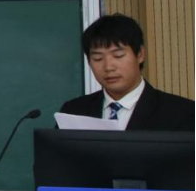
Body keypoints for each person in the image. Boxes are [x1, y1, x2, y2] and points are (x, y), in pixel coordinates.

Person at [60, 14, 194, 131]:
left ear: (140, 54)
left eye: (118, 55)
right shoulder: (73, 111)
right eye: (98, 58)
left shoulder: (183, 113)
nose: (108, 67)